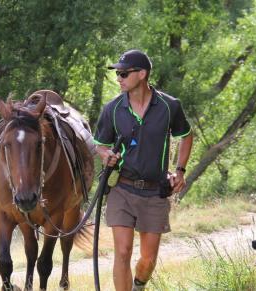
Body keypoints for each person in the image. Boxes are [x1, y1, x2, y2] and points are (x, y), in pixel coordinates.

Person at [93, 49, 194, 291]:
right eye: (117, 73)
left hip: (154, 192)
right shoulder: (112, 109)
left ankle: (138, 286)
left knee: (147, 261)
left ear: (142, 74)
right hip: (122, 189)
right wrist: (106, 155)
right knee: (123, 251)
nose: (119, 78)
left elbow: (186, 136)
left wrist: (179, 170)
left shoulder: (170, 106)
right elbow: (101, 144)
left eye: (123, 73)